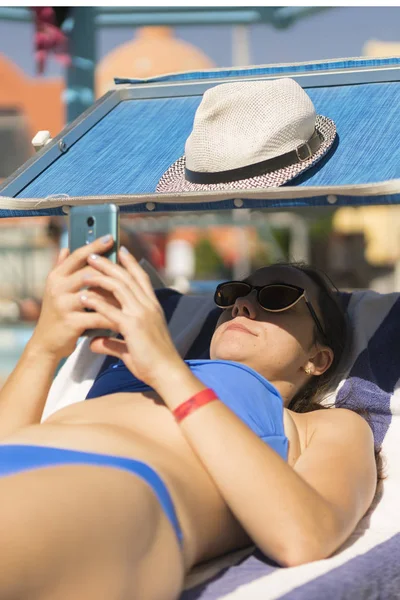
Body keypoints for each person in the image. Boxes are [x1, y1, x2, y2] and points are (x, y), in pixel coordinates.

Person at [0, 79, 377, 599]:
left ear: (319, 358)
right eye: (236, 291)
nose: (244, 302)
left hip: (111, 490)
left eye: (278, 297)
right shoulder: (133, 365)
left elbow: (303, 535)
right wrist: (44, 345)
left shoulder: (327, 427)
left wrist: (169, 371)